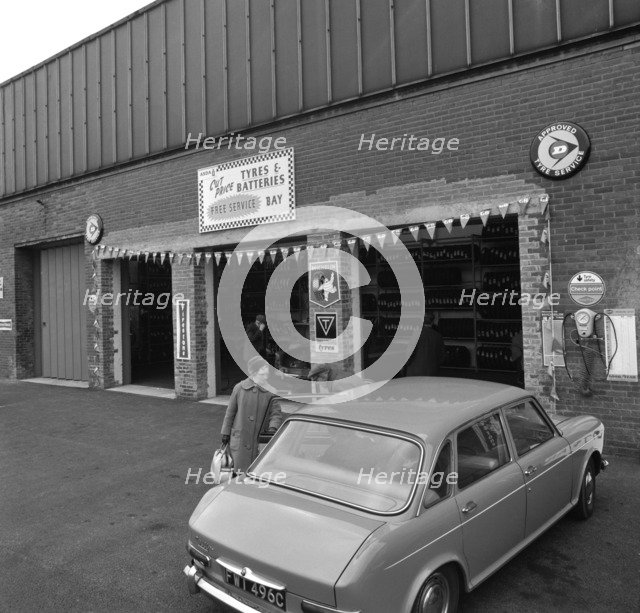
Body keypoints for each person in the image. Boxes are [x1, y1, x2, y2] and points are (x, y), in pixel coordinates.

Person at [220, 356, 282, 473]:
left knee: (256, 471)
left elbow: (276, 414)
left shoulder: (271, 392)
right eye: (262, 374)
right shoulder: (239, 388)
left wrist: (272, 428)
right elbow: (230, 413)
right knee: (237, 472)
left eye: (267, 374)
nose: (265, 377)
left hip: (259, 440)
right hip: (240, 440)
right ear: (254, 372)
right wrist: (225, 433)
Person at [405, 312, 444, 376]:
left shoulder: (414, 334)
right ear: (432, 321)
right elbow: (441, 357)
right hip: (432, 373)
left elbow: (408, 356)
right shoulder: (438, 336)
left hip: (414, 373)